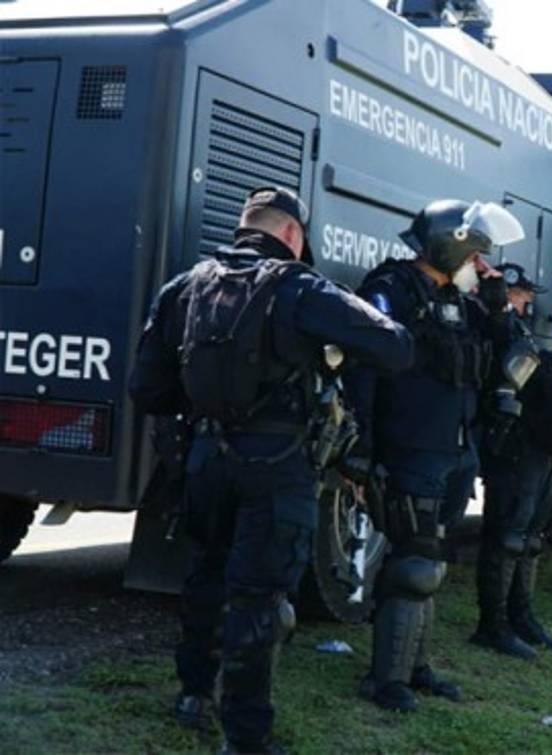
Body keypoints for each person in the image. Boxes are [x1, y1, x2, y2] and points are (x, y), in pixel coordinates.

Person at [128, 186, 413, 754]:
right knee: (259, 597)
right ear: (291, 234)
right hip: (279, 465)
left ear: (245, 227)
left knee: (207, 573)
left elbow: (146, 387)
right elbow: (395, 347)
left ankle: (192, 695)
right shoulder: (301, 287)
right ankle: (247, 735)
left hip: (204, 459)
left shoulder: (185, 286)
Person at [345, 198, 526, 712]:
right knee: (413, 563)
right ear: (451, 246)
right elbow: (363, 370)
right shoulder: (390, 290)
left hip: (455, 451)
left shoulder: (466, 303)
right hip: (409, 448)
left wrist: (497, 306)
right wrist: (359, 446)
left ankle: (414, 667)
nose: (481, 268)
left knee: (433, 562)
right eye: (476, 257)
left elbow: (516, 356)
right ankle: (386, 680)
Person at [471, 263, 552, 660]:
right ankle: (494, 624)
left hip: (535, 442)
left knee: (532, 536)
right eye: (519, 295)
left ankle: (521, 616)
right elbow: (514, 367)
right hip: (510, 443)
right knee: (507, 535)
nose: (526, 302)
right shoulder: (491, 322)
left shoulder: (518, 327)